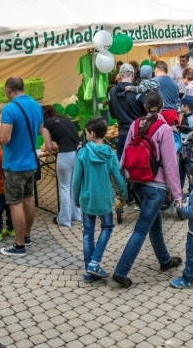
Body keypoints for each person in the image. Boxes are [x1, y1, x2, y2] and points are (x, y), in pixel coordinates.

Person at [111, 92, 183, 288]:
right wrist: (178, 195)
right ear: (162, 107)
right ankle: (121, 271)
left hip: (138, 183)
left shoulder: (135, 124)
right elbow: (170, 165)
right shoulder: (164, 129)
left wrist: (123, 183)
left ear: (144, 107)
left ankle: (165, 260)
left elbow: (125, 155)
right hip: (156, 187)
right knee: (141, 229)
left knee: (155, 224)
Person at [72, 117, 128, 281]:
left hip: (87, 198)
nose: (85, 134)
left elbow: (76, 180)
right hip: (104, 198)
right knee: (108, 227)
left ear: (92, 133)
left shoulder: (82, 153)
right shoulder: (110, 153)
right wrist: (123, 193)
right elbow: (117, 176)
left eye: (87, 132)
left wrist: (76, 198)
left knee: (88, 233)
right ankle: (94, 263)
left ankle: (90, 269)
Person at [0, 77, 44, 257]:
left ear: (8, 90)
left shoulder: (9, 109)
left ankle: (19, 246)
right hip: (31, 162)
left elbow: (5, 139)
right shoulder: (36, 105)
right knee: (29, 199)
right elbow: (40, 130)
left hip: (14, 165)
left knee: (15, 204)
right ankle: (26, 236)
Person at [41, 105, 81, 227]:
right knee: (74, 185)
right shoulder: (66, 119)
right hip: (77, 153)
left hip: (65, 156)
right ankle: (77, 215)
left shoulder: (46, 124)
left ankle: (64, 219)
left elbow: (47, 147)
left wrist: (46, 147)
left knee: (64, 187)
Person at [107, 63, 147, 161]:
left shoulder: (111, 92)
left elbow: (112, 115)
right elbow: (146, 114)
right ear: (133, 74)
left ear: (119, 76)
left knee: (122, 165)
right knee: (139, 165)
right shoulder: (139, 91)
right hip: (138, 134)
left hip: (123, 134)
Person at [177, 95, 193, 192]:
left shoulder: (190, 119)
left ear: (186, 106)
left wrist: (183, 140)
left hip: (189, 150)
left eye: (182, 104)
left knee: (190, 171)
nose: (180, 106)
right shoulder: (186, 117)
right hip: (183, 149)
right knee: (180, 171)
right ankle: (179, 191)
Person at [152, 61, 181, 126]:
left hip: (159, 115)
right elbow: (177, 101)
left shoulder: (153, 81)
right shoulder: (175, 83)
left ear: (156, 70)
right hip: (172, 115)